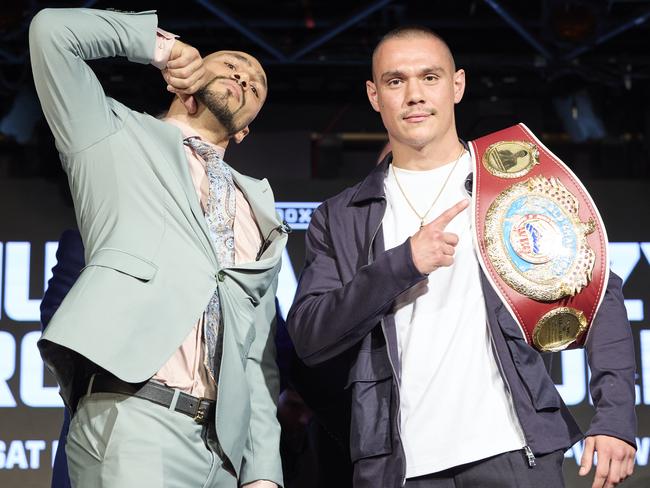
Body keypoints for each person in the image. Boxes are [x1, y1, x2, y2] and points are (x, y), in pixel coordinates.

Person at [287, 26, 636, 488]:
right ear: (374, 96)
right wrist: (401, 264)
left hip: (511, 449)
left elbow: (597, 294)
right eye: (395, 81)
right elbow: (310, 334)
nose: (414, 95)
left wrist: (614, 416)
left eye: (429, 77)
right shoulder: (341, 216)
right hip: (399, 467)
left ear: (457, 85)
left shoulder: (514, 182)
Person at [30, 7, 286, 488]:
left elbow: (255, 355)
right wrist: (163, 48)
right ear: (180, 81)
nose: (244, 77)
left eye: (257, 84)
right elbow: (51, 33)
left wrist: (263, 472)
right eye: (232, 64)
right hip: (136, 418)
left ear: (245, 130)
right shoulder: (109, 135)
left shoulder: (259, 214)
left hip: (222, 451)